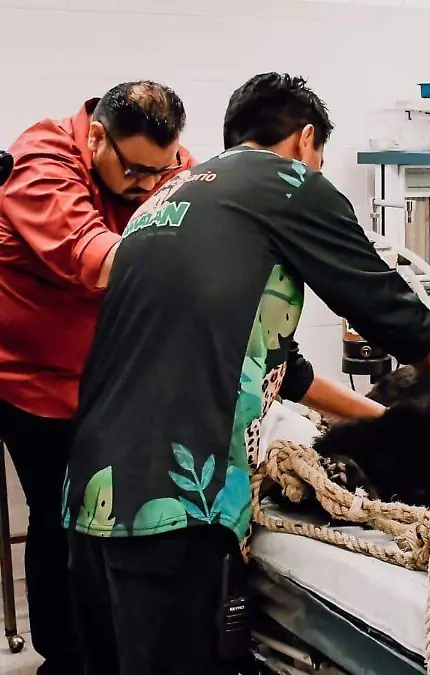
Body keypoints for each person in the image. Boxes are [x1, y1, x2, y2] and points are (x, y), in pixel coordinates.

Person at [62, 72, 430, 674]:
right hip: (173, 506)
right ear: (305, 141)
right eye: (319, 156)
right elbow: (393, 314)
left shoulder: (171, 199)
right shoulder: (291, 184)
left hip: (95, 495)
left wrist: (386, 419)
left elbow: (280, 368)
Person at [0, 81, 194, 675]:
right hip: (30, 381)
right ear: (97, 136)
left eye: (160, 170)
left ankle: (114, 647)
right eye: (135, 168)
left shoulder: (168, 164)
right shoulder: (42, 164)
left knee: (114, 511)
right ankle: (62, 658)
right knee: (61, 511)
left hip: (111, 377)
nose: (147, 182)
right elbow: (101, 260)